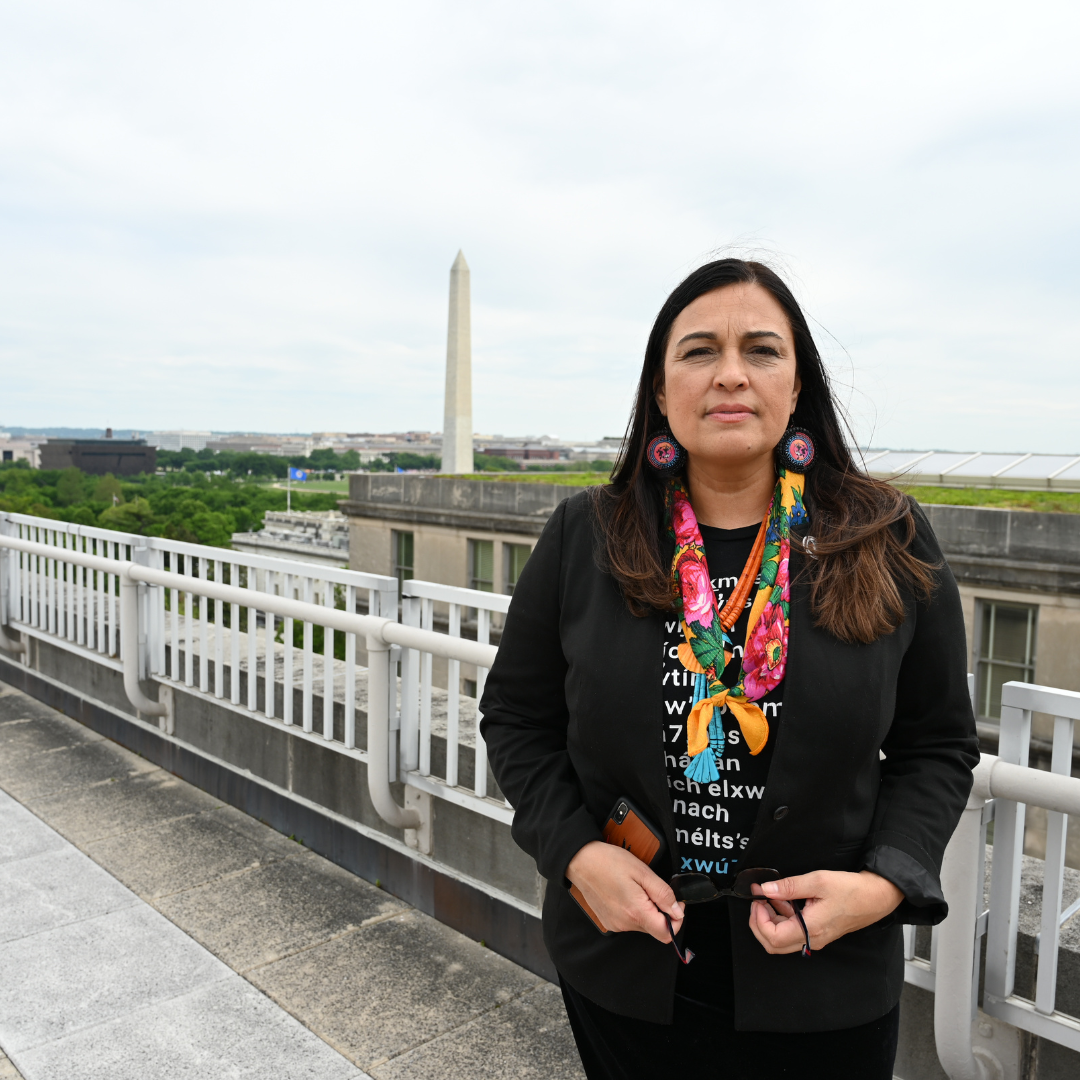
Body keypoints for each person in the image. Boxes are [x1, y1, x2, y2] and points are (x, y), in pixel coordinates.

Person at [478, 259, 979, 1080]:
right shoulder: (587, 536)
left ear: (797, 388)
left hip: (826, 975)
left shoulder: (887, 537)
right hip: (626, 962)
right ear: (661, 389)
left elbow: (938, 746)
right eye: (700, 351)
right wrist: (574, 854)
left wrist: (884, 886)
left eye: (762, 351)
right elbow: (518, 720)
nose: (731, 375)